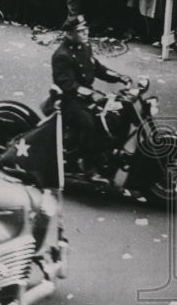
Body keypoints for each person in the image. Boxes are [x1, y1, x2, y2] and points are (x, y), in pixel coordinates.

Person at [52, 14, 131, 185]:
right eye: (80, 31)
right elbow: (67, 83)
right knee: (89, 124)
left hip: (87, 95)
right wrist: (87, 93)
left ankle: (110, 152)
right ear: (69, 34)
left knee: (117, 113)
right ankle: (89, 167)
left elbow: (97, 68)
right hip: (71, 101)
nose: (85, 32)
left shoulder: (85, 46)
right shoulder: (62, 55)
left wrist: (119, 77)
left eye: (85, 29)